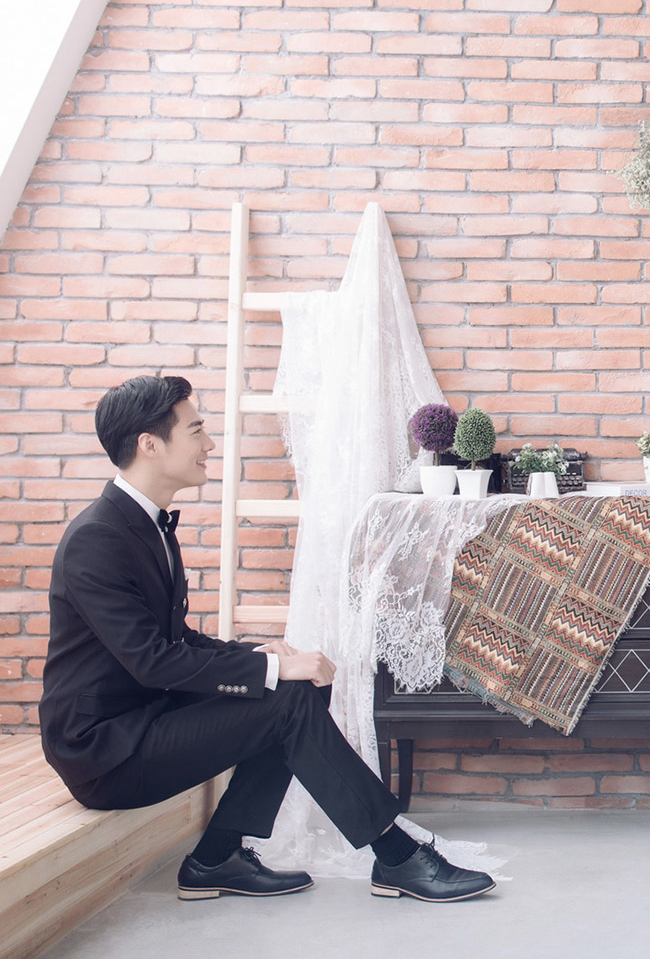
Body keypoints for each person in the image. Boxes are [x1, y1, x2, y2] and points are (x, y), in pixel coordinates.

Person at [39, 374, 495, 903]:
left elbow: (175, 640)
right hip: (105, 750)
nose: (210, 445)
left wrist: (261, 655)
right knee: (286, 695)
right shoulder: (97, 538)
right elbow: (153, 662)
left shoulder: (145, 525)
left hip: (144, 718)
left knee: (297, 687)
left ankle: (217, 858)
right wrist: (270, 669)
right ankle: (396, 855)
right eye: (196, 431)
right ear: (149, 444)